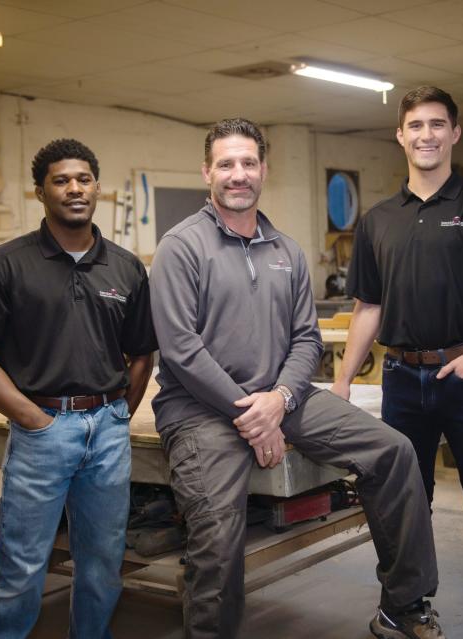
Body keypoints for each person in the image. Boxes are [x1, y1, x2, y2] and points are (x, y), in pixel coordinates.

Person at [149, 118, 444, 639]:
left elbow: (307, 339)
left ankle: (404, 606)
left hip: (285, 397)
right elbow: (180, 350)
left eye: (247, 163)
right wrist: (254, 415)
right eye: (225, 164)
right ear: (207, 173)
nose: (237, 174)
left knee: (394, 453)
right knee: (218, 537)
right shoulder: (182, 246)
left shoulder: (286, 250)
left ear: (263, 170)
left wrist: (280, 399)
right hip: (200, 410)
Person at [332, 86, 463, 639]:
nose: (426, 135)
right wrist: (342, 381)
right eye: (416, 126)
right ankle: (406, 612)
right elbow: (368, 307)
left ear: (455, 132)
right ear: (400, 135)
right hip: (402, 380)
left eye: (437, 124)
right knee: (406, 508)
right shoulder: (378, 220)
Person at [0, 138, 157, 639]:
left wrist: (117, 415)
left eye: (83, 179)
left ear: (97, 189)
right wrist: (31, 418)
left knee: (102, 564)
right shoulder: (5, 265)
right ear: (40, 192)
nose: (74, 189)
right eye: (61, 180)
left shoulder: (125, 267)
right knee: (21, 567)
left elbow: (142, 353)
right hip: (42, 434)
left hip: (107, 432)